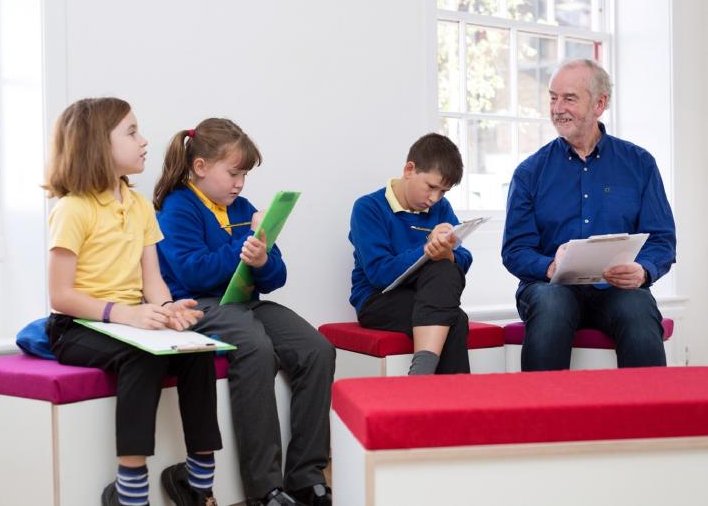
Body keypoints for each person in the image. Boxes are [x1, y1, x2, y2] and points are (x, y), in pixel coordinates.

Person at [43, 97, 222, 506]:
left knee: (196, 349)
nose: (144, 140)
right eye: (131, 132)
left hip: (128, 319)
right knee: (141, 357)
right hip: (77, 325)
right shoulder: (72, 210)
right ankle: (131, 491)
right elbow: (60, 295)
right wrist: (123, 315)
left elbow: (152, 281)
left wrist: (169, 310)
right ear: (97, 145)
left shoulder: (139, 205)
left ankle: (200, 485)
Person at [153, 118, 335, 506]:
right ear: (200, 167)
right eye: (233, 173)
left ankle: (306, 474)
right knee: (254, 347)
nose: (239, 183)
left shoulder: (243, 206)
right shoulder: (177, 207)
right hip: (199, 305)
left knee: (316, 349)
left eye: (244, 175)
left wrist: (263, 258)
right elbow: (191, 271)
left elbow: (277, 276)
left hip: (244, 301)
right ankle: (264, 487)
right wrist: (242, 248)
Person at [502, 59, 676, 371]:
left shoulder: (639, 164)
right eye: (553, 98)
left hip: (616, 290)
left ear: (599, 103)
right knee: (553, 304)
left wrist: (643, 271)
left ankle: (648, 418)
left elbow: (662, 239)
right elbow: (515, 250)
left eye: (569, 98)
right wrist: (550, 266)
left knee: (638, 307)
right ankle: (542, 417)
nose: (557, 108)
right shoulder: (530, 172)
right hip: (549, 288)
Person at [349, 133, 473, 375]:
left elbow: (465, 256)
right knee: (454, 319)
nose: (434, 198)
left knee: (446, 269)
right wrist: (427, 249)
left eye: (443, 192)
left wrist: (448, 254)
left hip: (427, 296)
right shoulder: (368, 207)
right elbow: (379, 274)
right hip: (378, 299)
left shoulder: (441, 208)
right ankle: (447, 398)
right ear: (409, 169)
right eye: (431, 187)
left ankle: (423, 382)